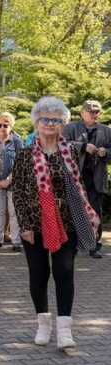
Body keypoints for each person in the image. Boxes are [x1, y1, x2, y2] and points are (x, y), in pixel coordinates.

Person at [13, 96, 99, 348]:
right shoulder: (24, 154)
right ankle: (43, 324)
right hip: (35, 224)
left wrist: (88, 214)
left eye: (55, 119)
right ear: (36, 123)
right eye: (45, 119)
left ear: (62, 123)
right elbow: (17, 192)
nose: (50, 123)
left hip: (67, 222)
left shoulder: (69, 151)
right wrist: (25, 225)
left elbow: (78, 185)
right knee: (39, 274)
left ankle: (64, 330)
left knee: (64, 273)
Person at [62, 100, 111, 259]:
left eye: (97, 112)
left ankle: (94, 245)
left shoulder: (106, 130)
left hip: (96, 178)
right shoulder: (70, 128)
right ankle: (73, 245)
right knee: (73, 211)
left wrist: (107, 152)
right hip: (75, 177)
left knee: (96, 212)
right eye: (91, 112)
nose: (95, 115)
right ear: (82, 113)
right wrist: (82, 146)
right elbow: (62, 145)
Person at [0, 113, 23, 251]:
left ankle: (16, 241)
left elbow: (20, 163)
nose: (2, 128)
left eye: (5, 125)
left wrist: (8, 180)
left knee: (13, 211)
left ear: (10, 127)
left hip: (13, 183)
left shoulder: (17, 142)